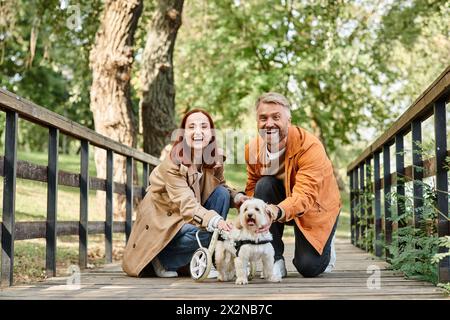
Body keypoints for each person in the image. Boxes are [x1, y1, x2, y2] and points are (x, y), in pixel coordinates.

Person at [122, 109, 244, 278]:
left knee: (222, 194)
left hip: (191, 213)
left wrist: (237, 197)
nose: (198, 131)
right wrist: (216, 221)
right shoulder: (173, 163)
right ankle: (163, 259)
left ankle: (198, 256)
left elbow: (220, 185)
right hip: (166, 218)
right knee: (211, 230)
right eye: (191, 127)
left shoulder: (214, 159)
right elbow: (187, 204)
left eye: (204, 126)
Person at [244, 92, 341, 278]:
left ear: (288, 120)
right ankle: (274, 259)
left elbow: (304, 196)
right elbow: (252, 187)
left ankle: (325, 240)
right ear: (257, 121)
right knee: (263, 185)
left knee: (309, 267)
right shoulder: (253, 149)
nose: (269, 123)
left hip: (315, 207)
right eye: (263, 118)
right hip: (281, 202)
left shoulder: (310, 146)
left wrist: (276, 211)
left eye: (276, 117)